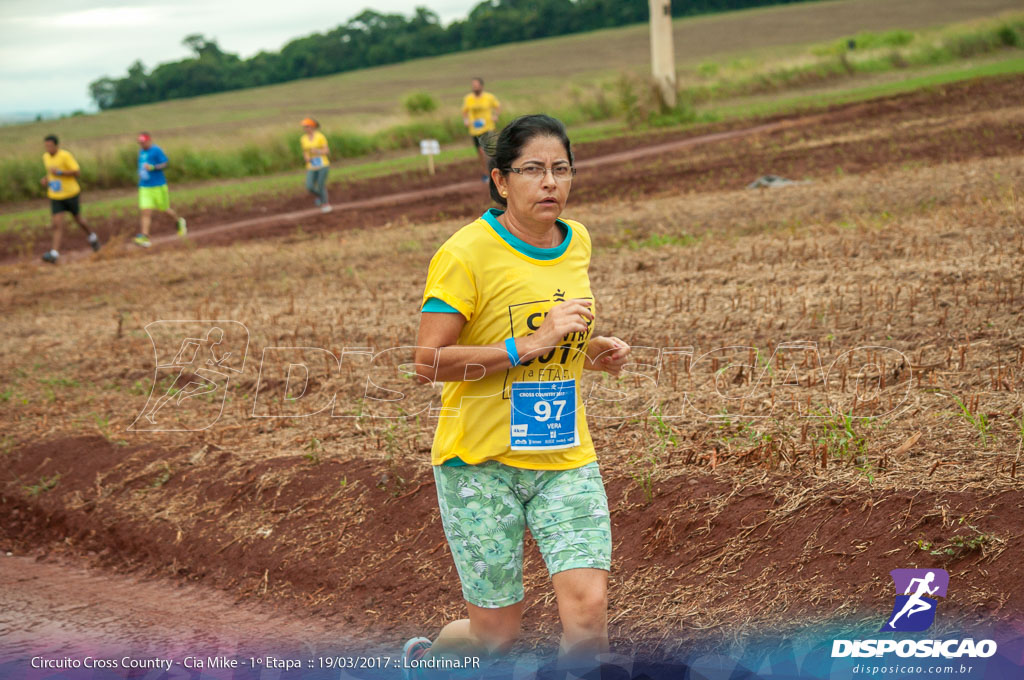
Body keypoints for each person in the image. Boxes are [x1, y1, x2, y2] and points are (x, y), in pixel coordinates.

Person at [407, 114, 630, 676]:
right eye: (533, 170)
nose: (549, 182)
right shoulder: (465, 253)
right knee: (495, 637)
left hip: (563, 455)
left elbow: (556, 335)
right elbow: (427, 361)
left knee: (588, 610)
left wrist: (587, 349)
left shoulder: (576, 241)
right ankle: (427, 663)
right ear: (501, 180)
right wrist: (529, 343)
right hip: (479, 464)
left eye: (561, 169)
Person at [39, 134, 100, 263]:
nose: (48, 148)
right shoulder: (45, 157)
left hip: (71, 194)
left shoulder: (65, 156)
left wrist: (60, 172)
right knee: (56, 224)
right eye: (46, 146)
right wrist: (46, 179)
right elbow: (51, 173)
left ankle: (92, 237)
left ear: (56, 145)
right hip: (55, 196)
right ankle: (54, 253)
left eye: (50, 146)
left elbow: (77, 172)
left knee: (78, 220)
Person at [133, 132, 186, 248]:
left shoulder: (156, 150)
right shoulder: (141, 153)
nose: (142, 144)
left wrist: (153, 167)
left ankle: (178, 221)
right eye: (140, 143)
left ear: (149, 140)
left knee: (164, 208)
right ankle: (145, 237)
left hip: (158, 186)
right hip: (144, 187)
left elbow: (165, 164)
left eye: (143, 142)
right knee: (145, 211)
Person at [461, 77, 501, 182]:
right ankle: (486, 173)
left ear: (481, 86)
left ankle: (494, 171)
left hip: (487, 128)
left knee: (484, 150)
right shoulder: (468, 98)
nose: (474, 87)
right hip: (474, 130)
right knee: (480, 153)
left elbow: (497, 106)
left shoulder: (489, 97)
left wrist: (496, 116)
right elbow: (464, 111)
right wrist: (465, 120)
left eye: (476, 85)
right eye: (473, 86)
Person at [300, 118, 332, 212]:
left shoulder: (320, 137)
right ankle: (321, 197)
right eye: (304, 127)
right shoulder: (303, 139)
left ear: (313, 127)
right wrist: (306, 157)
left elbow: (326, 151)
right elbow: (305, 151)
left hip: (323, 165)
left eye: (307, 126)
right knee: (309, 186)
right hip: (311, 166)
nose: (305, 128)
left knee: (321, 185)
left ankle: (325, 204)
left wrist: (317, 151)